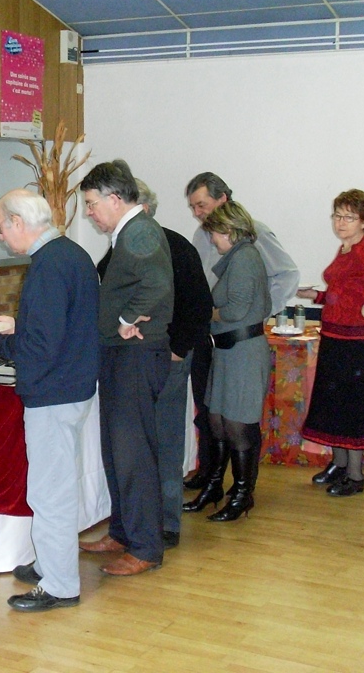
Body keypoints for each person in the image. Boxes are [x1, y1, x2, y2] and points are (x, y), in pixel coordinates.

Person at [0, 189, 100, 612]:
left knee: (50, 492)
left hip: (53, 392)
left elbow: (40, 347)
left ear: (18, 223)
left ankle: (60, 585)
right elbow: (62, 323)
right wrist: (19, 326)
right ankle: (48, 563)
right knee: (54, 485)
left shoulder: (47, 265)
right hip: (72, 385)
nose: (1, 236)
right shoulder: (70, 254)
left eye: (0, 228)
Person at [77, 160, 173, 577]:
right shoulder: (130, 232)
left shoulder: (140, 232)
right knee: (117, 452)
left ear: (115, 199)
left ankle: (145, 547)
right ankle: (122, 532)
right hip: (121, 354)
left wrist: (124, 320)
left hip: (135, 354)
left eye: (91, 204)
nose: (88, 213)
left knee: (133, 455)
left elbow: (157, 284)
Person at [182, 172, 298, 493]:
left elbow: (288, 274)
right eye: (193, 207)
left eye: (202, 205)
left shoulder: (254, 233)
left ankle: (239, 488)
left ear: (223, 199)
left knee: (237, 416)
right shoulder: (201, 234)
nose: (197, 213)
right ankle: (210, 475)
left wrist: (257, 312)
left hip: (237, 334)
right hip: (208, 333)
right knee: (211, 410)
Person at [299, 190, 364, 497]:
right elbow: (345, 293)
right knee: (333, 403)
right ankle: (339, 464)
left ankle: (356, 476)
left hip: (358, 344)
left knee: (352, 407)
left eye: (349, 217)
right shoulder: (346, 248)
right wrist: (315, 296)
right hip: (336, 337)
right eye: (337, 216)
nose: (341, 222)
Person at [128, 179, 212, 548]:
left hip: (168, 358)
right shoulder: (122, 248)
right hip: (134, 358)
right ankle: (136, 521)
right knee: (137, 444)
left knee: (166, 441)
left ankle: (167, 523)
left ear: (144, 209)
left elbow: (199, 305)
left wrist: (178, 349)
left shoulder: (176, 246)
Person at [183, 201, 271, 522]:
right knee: (218, 420)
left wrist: (207, 313)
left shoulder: (245, 257)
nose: (212, 240)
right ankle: (215, 487)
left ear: (230, 231)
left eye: (215, 234)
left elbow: (236, 310)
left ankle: (243, 494)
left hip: (243, 352)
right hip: (227, 351)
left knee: (237, 424)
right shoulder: (237, 257)